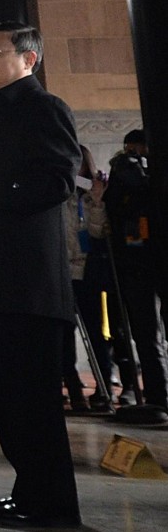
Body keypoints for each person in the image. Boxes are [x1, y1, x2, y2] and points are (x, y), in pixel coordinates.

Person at [0, 21, 82, 528]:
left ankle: (53, 505)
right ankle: (29, 493)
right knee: (6, 398)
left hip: (27, 280)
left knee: (34, 401)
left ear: (29, 59)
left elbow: (56, 181)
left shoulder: (43, 108)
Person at [104, 128, 168, 411]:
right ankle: (157, 394)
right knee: (146, 334)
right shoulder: (125, 173)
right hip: (136, 261)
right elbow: (115, 204)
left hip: (151, 259)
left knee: (151, 334)